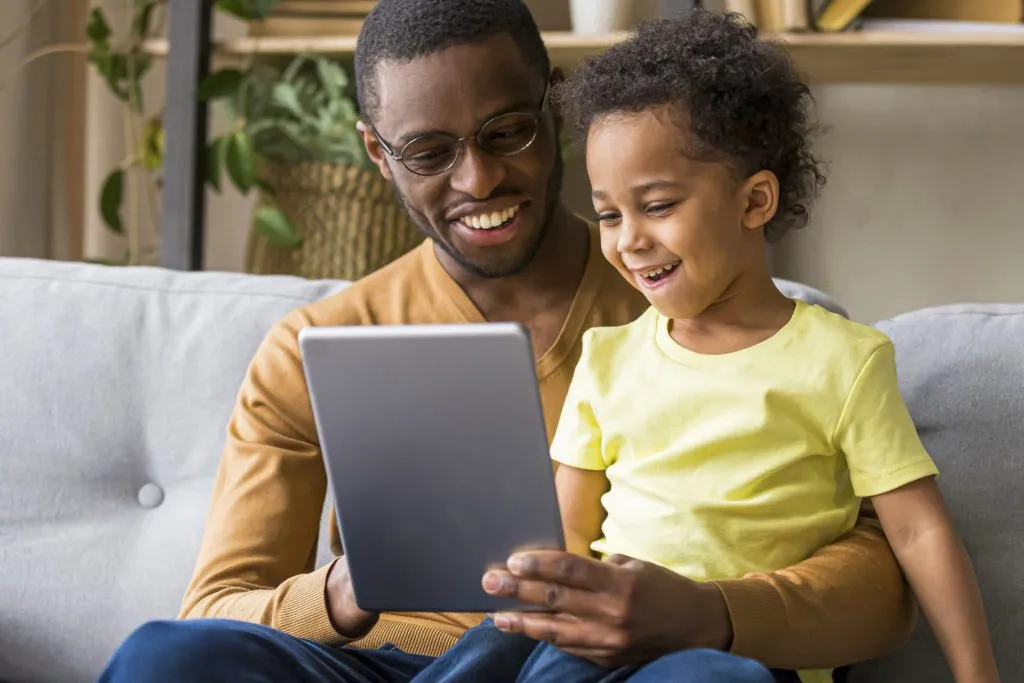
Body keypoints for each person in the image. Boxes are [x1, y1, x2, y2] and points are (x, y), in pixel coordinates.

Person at [98, 1, 920, 682]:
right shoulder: (314, 345)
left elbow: (886, 581)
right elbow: (217, 608)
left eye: (505, 133)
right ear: (377, 153)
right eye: (429, 152)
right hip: (393, 664)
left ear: (552, 106)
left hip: (620, 663)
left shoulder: (704, 307)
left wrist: (712, 611)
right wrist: (347, 589)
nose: (478, 179)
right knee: (165, 659)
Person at [458, 10, 1001, 683]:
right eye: (608, 214)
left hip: (737, 660)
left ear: (754, 202)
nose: (629, 239)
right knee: (496, 641)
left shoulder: (846, 361)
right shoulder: (606, 358)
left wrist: (979, 674)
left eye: (658, 205)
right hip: (600, 645)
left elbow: (919, 532)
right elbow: (565, 537)